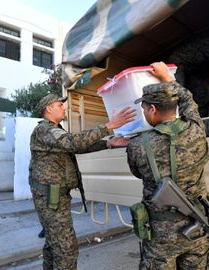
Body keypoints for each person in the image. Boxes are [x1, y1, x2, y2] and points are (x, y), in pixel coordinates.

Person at [29, 93, 135, 270]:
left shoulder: (54, 130)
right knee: (66, 249)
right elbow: (74, 142)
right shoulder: (44, 130)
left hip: (54, 197)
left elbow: (76, 145)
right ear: (49, 109)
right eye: (59, 105)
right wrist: (110, 125)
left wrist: (109, 143)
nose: (64, 108)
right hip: (50, 198)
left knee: (53, 244)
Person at [126, 62, 209, 269]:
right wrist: (167, 77)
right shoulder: (197, 129)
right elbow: (188, 100)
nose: (144, 112)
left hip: (160, 235)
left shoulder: (137, 144)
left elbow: (137, 173)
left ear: (152, 108)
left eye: (144, 108)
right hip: (197, 225)